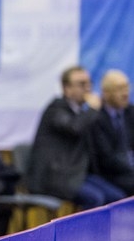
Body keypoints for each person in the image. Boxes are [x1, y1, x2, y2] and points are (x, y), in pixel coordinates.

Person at [26, 66, 127, 210]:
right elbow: (74, 128)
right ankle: (87, 227)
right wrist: (92, 109)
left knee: (116, 197)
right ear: (67, 89)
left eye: (89, 83)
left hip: (76, 174)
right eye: (81, 84)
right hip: (53, 178)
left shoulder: (81, 112)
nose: (87, 88)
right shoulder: (56, 108)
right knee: (95, 198)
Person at [87, 70, 134, 196]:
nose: (125, 93)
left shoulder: (131, 112)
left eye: (126, 87)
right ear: (106, 93)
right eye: (119, 89)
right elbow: (106, 158)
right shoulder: (96, 118)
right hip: (111, 174)